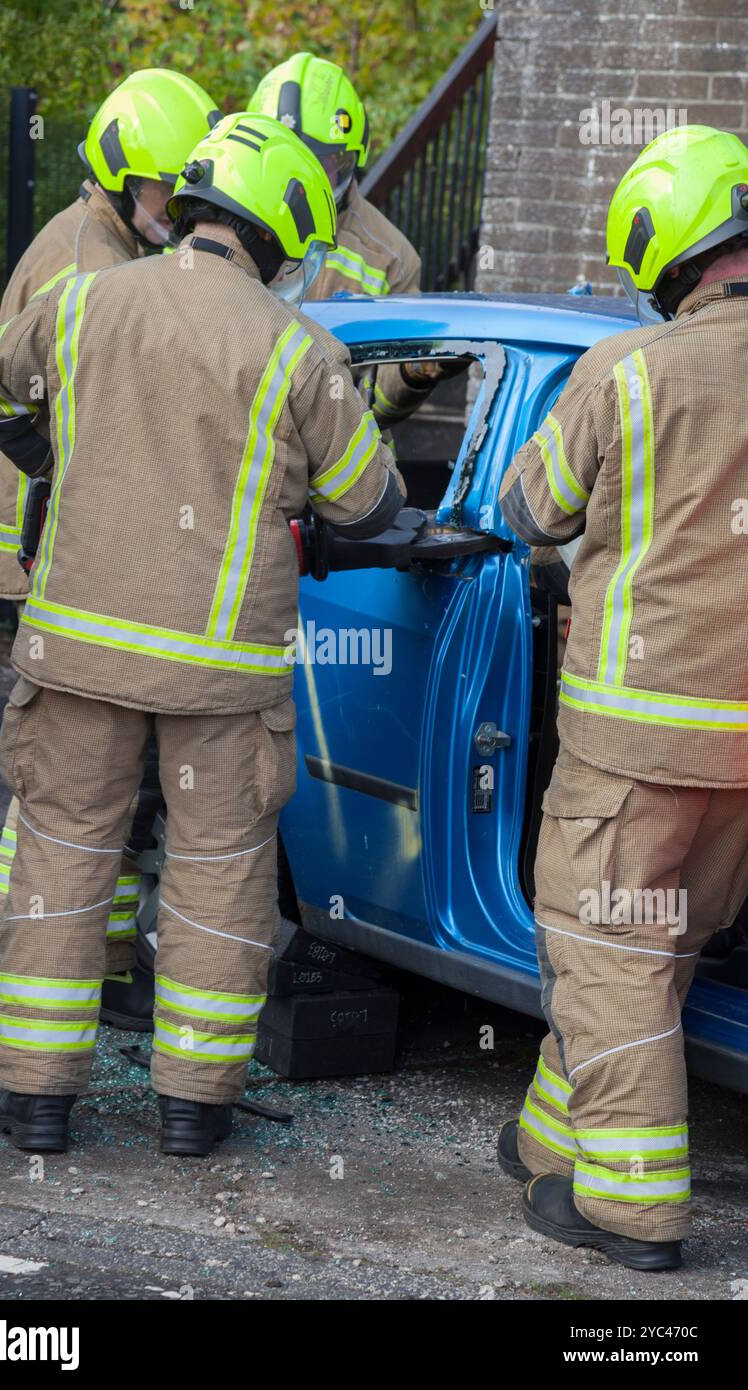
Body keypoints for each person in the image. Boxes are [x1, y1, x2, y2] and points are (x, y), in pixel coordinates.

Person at [0, 112, 405, 1157]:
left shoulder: (83, 303)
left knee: (64, 853)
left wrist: (56, 459)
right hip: (221, 675)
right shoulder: (301, 345)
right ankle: (194, 1113)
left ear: (198, 198)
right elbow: (368, 506)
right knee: (218, 872)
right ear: (285, 225)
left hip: (77, 654)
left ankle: (36, 1103)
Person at [495, 125, 748, 1271]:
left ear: (664, 248)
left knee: (601, 945)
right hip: (738, 758)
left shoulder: (629, 370)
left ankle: (633, 1212)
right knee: (655, 944)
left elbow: (526, 508)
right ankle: (555, 1137)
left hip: (633, 736)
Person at [0, 68, 220, 988]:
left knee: (70, 762)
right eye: (165, 188)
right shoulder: (93, 265)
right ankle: (34, 936)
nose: (176, 205)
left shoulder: (103, 245)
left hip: (51, 531)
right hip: (55, 541)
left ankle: (48, 936)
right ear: (124, 177)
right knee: (73, 765)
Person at [249, 51, 456, 427]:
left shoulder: (390, 257)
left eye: (319, 160)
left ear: (347, 161)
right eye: (284, 158)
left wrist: (415, 369)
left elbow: (379, 406)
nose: (301, 178)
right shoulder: (226, 224)